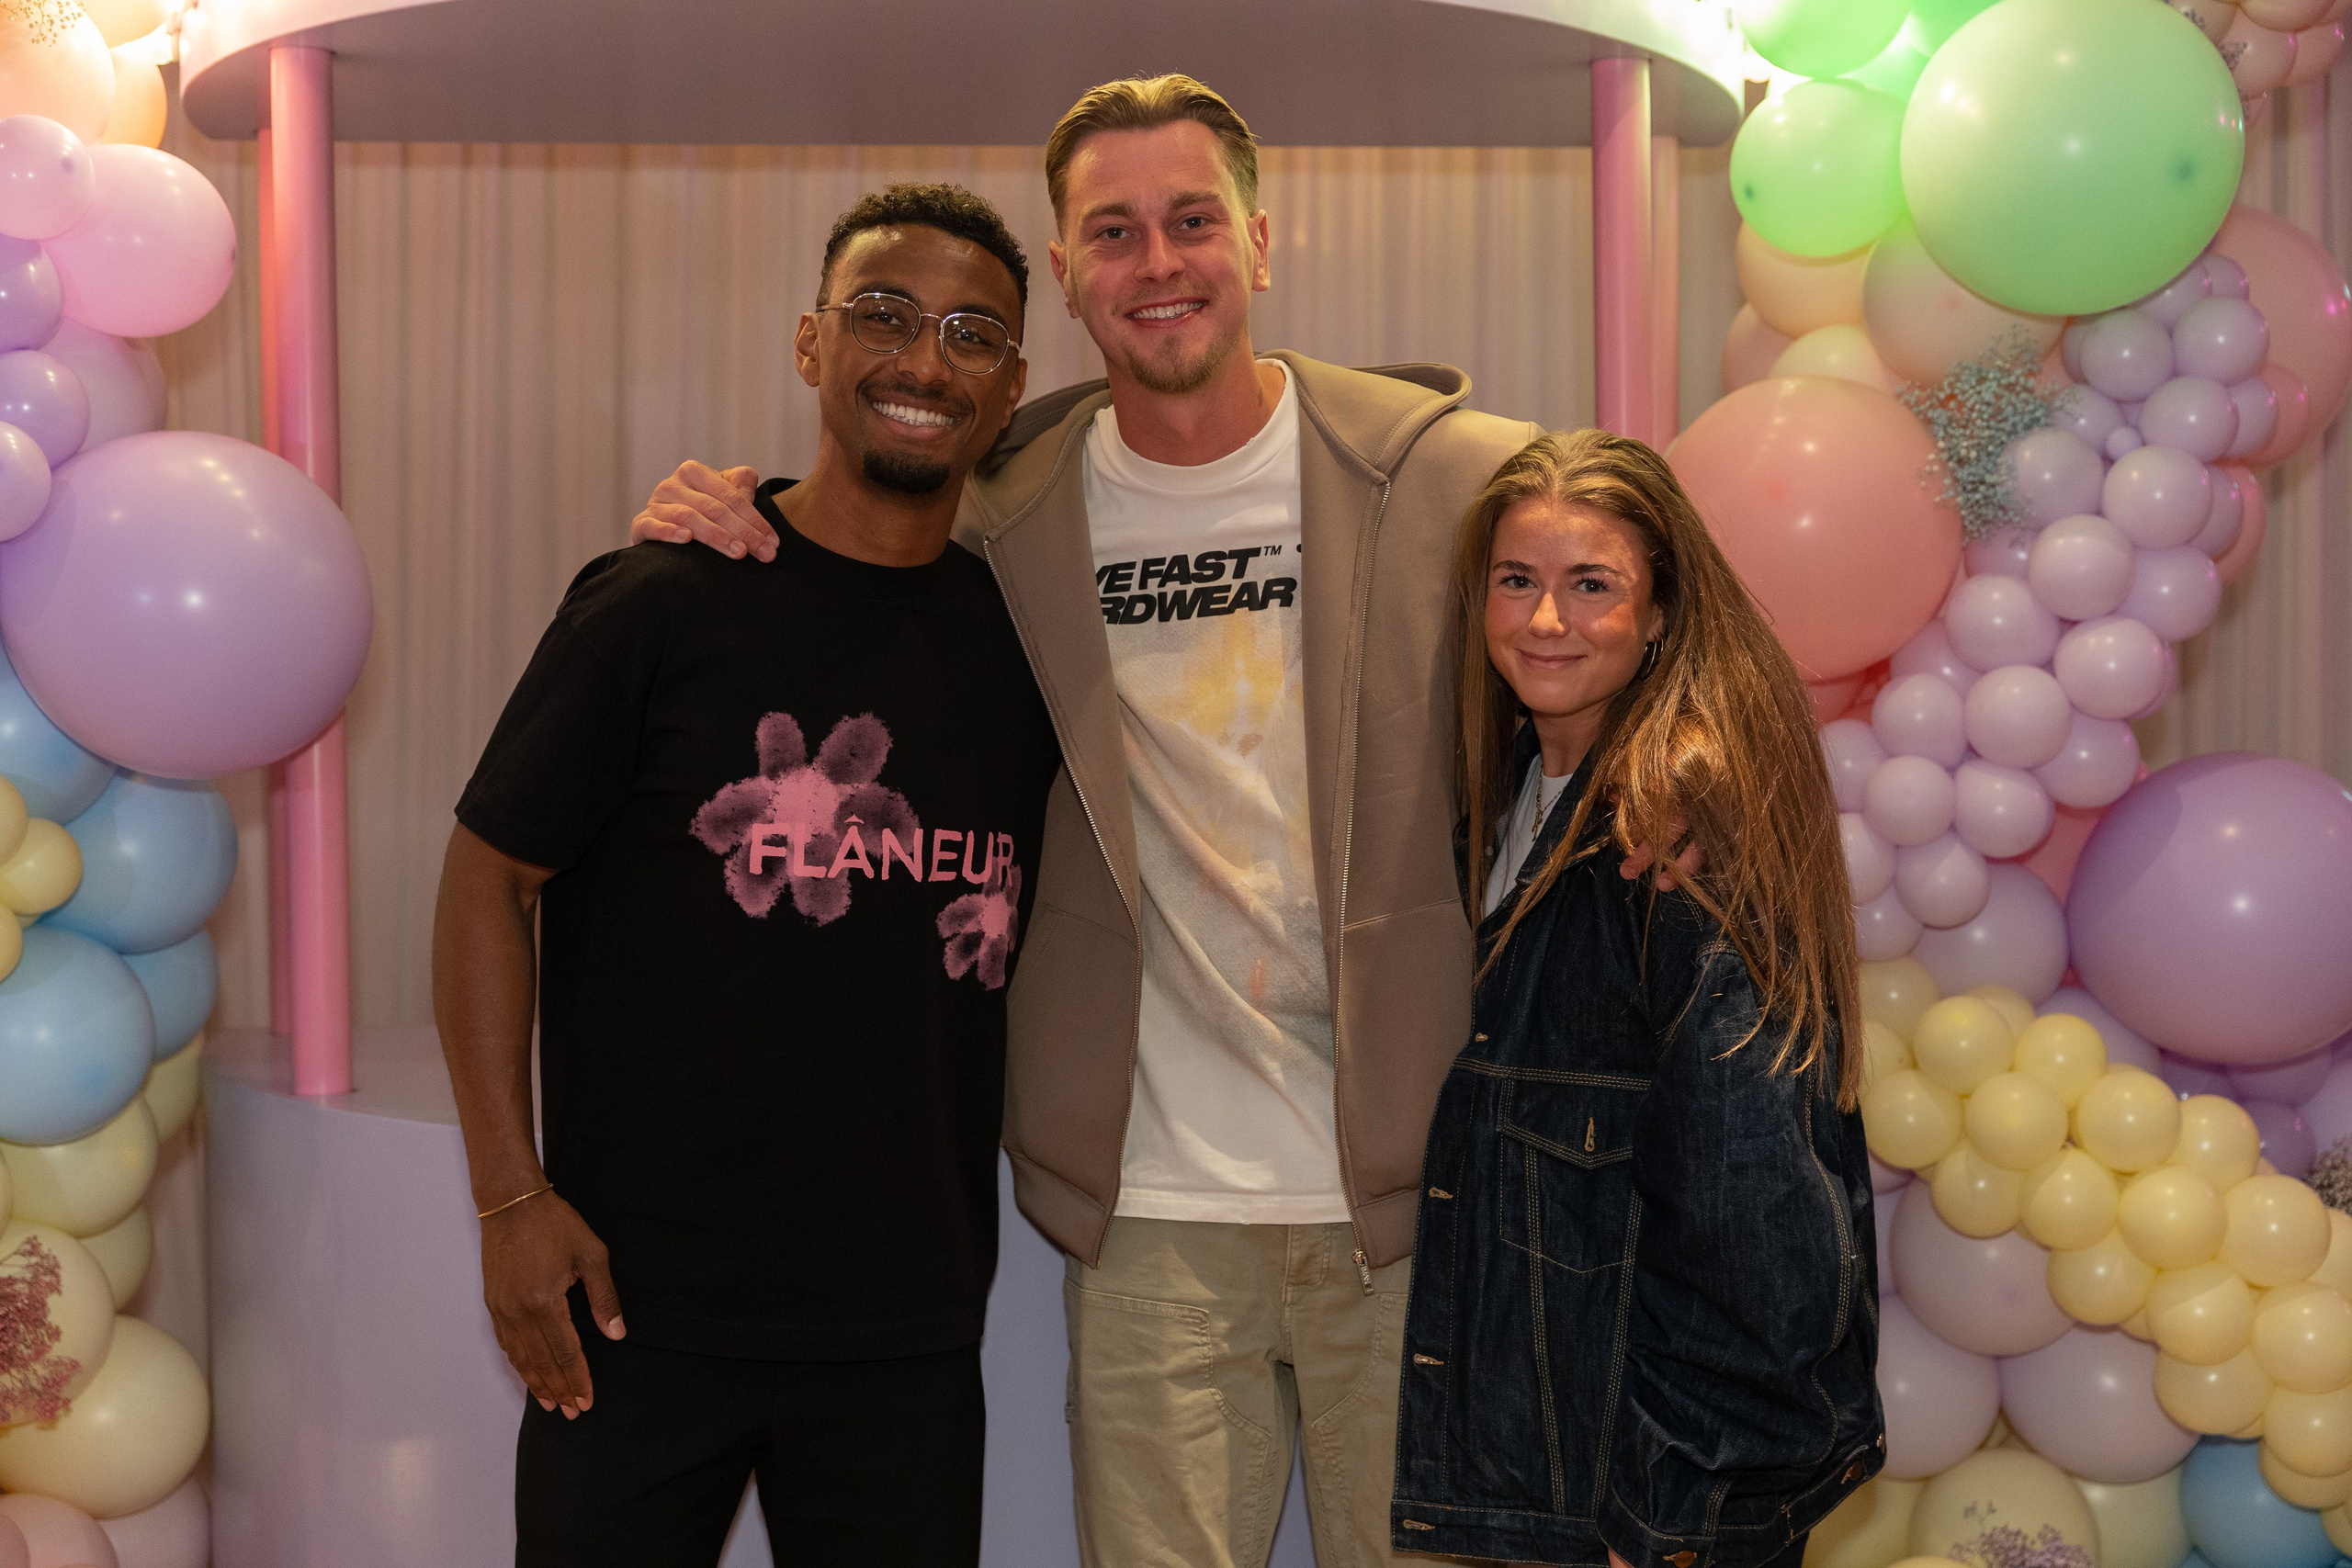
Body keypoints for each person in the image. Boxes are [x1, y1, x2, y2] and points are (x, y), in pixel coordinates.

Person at [625, 73, 1647, 1568]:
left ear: (1261, 240)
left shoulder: (1448, 476)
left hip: (1421, 1191)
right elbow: (862, 527)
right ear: (1066, 270)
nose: (1156, 261)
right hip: (1153, 1205)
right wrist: (732, 507)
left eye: (1190, 221)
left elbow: (1642, 631)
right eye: (1114, 231)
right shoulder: (1004, 502)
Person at [431, 182, 1060, 1568]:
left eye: (971, 333)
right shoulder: (662, 600)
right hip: (634, 1304)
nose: (921, 360)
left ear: (1012, 388)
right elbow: (486, 878)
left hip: (904, 1326)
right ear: (808, 343)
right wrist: (511, 1198)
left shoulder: (1030, 652)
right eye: (882, 314)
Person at [1390, 429, 1883, 1568]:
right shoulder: (1508, 798)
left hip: (1644, 1512)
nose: (1544, 620)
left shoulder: (1673, 837)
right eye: (1516, 580)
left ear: (1660, 612)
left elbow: (1756, 1209)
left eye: (1590, 585)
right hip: (1544, 1481)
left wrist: (1675, 1512)